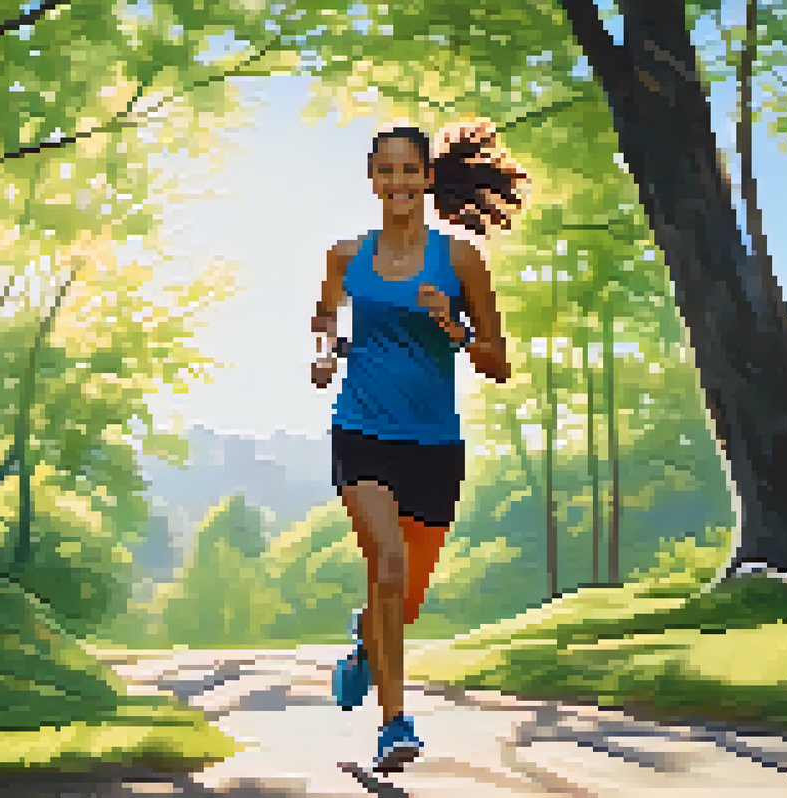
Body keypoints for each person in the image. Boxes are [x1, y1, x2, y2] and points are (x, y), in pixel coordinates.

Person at [310, 121, 527, 773]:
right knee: (388, 565)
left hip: (434, 444)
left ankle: (366, 650)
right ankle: (394, 723)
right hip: (362, 431)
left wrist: (453, 327)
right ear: (372, 180)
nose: (399, 182)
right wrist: (323, 354)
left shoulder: (459, 260)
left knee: (405, 600)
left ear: (428, 179)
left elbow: (498, 363)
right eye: (388, 171)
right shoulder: (346, 256)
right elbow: (324, 319)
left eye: (411, 171)